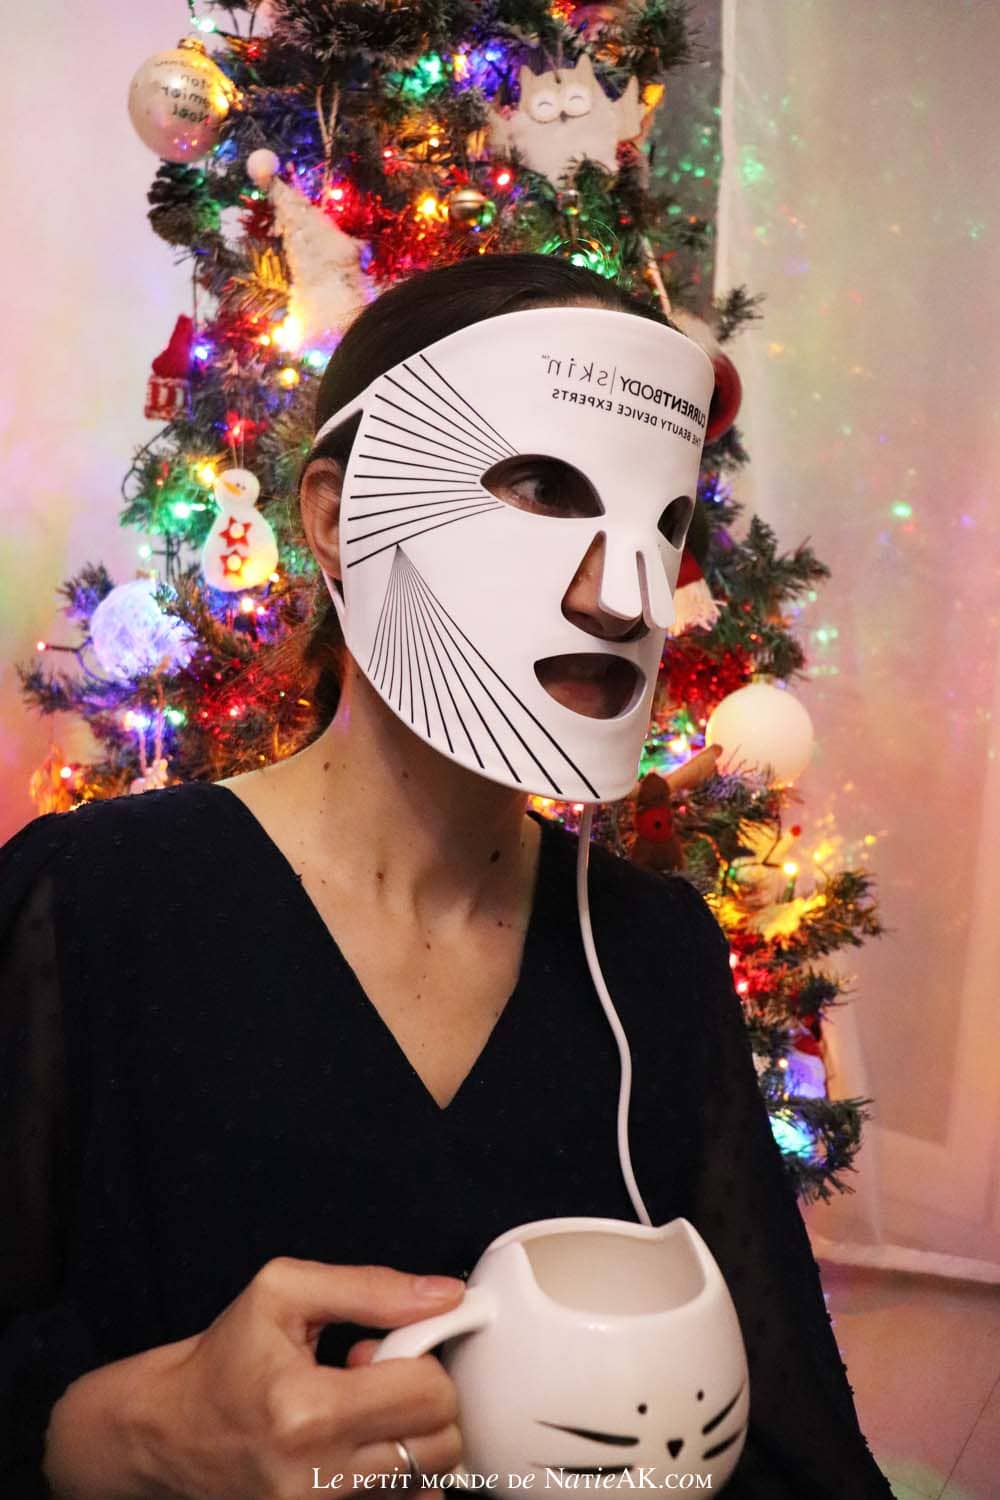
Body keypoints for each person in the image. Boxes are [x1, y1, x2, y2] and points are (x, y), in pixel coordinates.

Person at [0, 253, 893, 1499]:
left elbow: (793, 1439)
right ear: (332, 516)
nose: (624, 595)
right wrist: (118, 1435)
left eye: (665, 524)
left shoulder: (651, 954)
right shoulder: (96, 904)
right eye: (542, 486)